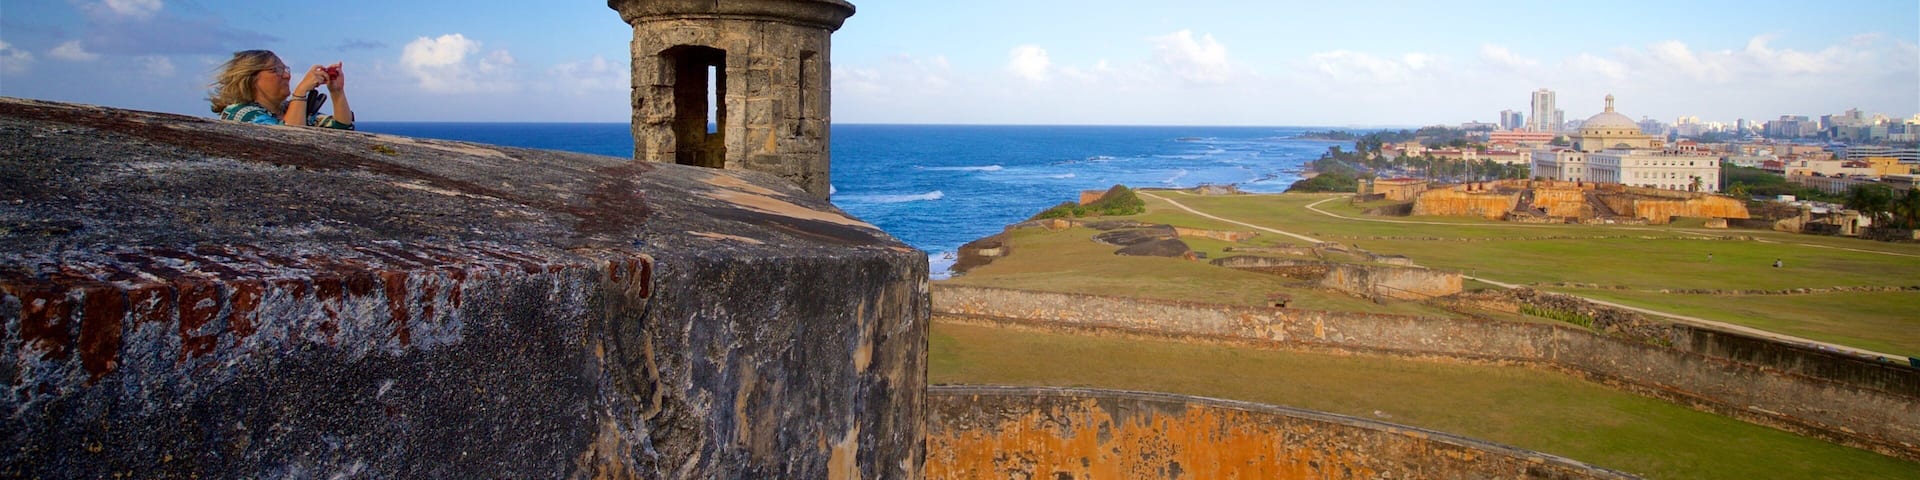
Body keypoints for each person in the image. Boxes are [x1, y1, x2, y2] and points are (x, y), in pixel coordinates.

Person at [207, 50, 354, 130]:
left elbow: (342, 126)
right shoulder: (240, 113)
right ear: (250, 78)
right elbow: (288, 139)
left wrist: (337, 92)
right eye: (275, 70)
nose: (287, 75)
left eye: (285, 69)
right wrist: (300, 92)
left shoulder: (288, 111)